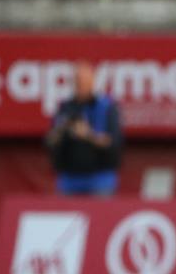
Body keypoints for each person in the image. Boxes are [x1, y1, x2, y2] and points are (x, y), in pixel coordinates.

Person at [46, 61, 124, 197]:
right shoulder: (65, 107)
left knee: (101, 215)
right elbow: (50, 141)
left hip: (100, 178)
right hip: (69, 178)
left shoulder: (106, 107)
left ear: (92, 82)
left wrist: (87, 135)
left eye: (83, 81)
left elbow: (113, 142)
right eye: (77, 81)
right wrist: (62, 128)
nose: (80, 85)